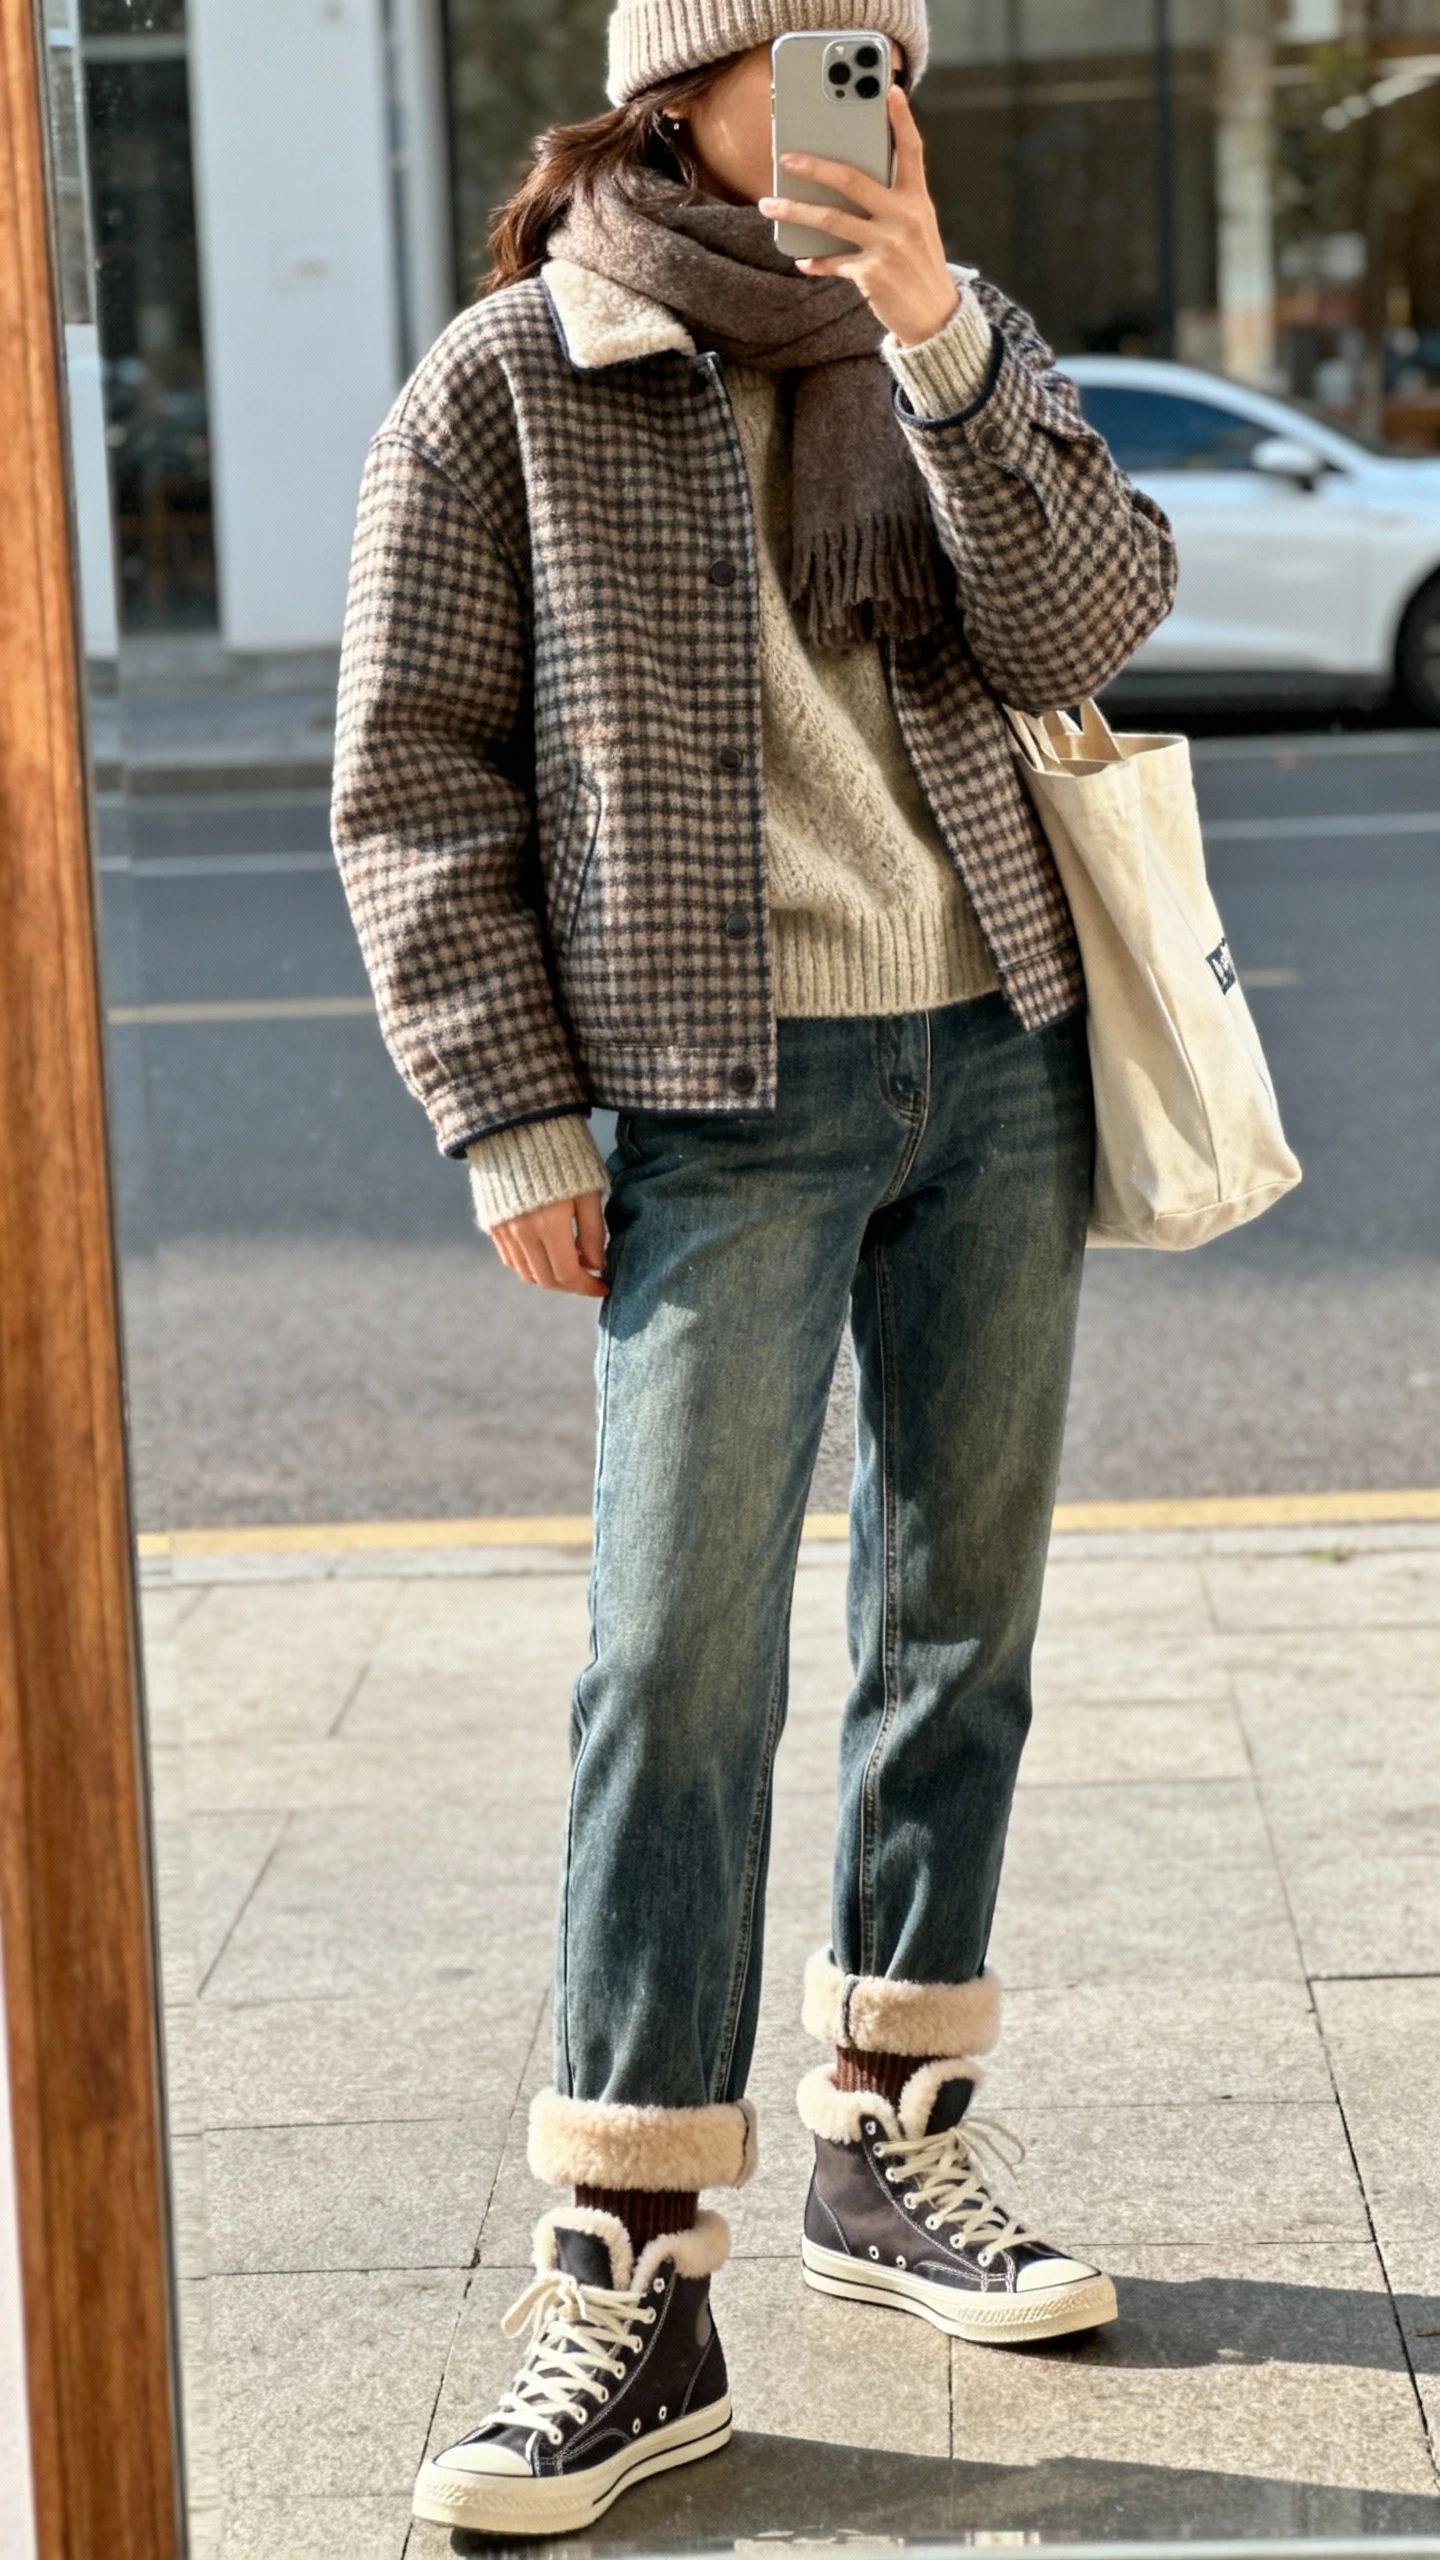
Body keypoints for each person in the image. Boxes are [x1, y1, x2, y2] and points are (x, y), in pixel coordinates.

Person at [332, 0, 1176, 2535]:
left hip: (996, 1055)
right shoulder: (509, 378)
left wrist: (940, 337)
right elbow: (412, 771)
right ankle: (629, 2263)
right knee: (672, 1668)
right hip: (724, 1095)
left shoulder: (938, 322)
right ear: (681, 87)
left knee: (960, 1617)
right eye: (818, 57)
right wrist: (505, 1108)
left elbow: (1097, 616)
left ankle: (884, 2138)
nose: (872, 102)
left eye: (887, 60)